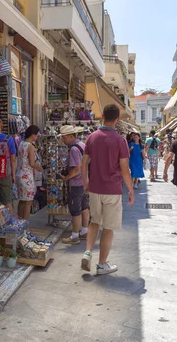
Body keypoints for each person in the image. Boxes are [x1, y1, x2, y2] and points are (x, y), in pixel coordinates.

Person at [81, 104, 134, 275]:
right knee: (109, 228)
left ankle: (88, 252)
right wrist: (131, 190)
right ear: (117, 119)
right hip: (112, 189)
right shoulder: (120, 140)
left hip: (95, 188)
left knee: (94, 222)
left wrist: (86, 182)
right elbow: (124, 169)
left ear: (102, 115)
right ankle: (101, 264)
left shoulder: (91, 138)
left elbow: (83, 163)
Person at [59, 125, 90, 245]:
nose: (63, 140)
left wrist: (66, 178)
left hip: (76, 184)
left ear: (71, 136)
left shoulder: (73, 149)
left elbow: (76, 169)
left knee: (75, 210)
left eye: (64, 137)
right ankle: (84, 231)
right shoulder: (82, 145)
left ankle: (75, 236)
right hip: (84, 181)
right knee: (84, 207)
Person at [16, 125, 43, 220]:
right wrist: (39, 167)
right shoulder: (30, 146)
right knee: (28, 202)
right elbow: (32, 163)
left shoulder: (21, 144)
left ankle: (19, 222)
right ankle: (25, 224)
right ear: (33, 135)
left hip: (19, 174)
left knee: (22, 200)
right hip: (27, 176)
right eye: (37, 135)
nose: (37, 137)